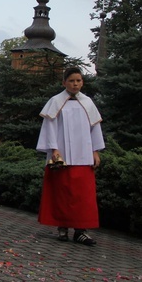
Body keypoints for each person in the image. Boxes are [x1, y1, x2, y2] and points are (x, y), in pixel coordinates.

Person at [36, 66, 105, 246]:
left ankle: (81, 230)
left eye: (79, 81)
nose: (75, 84)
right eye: (72, 81)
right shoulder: (55, 101)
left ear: (82, 82)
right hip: (63, 155)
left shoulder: (88, 102)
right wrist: (53, 149)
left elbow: (95, 128)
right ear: (64, 82)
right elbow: (50, 127)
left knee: (83, 195)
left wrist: (95, 150)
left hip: (83, 156)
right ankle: (63, 227)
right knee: (62, 193)